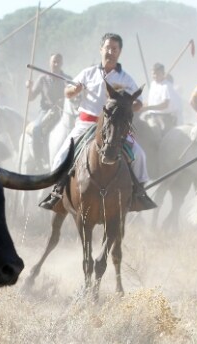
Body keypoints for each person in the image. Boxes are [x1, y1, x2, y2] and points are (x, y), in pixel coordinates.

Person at [40, 33, 155, 211]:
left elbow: (139, 103)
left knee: (140, 156)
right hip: (86, 125)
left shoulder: (126, 78)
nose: (110, 52)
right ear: (101, 49)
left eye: (114, 49)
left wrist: (128, 105)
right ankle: (56, 193)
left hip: (114, 129)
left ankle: (138, 195)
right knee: (60, 157)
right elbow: (67, 92)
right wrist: (75, 89)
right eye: (107, 48)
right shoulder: (88, 73)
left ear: (120, 52)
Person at [27, 53, 69, 169]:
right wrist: (29, 88)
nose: (56, 64)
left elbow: (75, 95)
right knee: (36, 128)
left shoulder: (67, 79)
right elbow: (31, 98)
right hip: (46, 111)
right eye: (53, 62)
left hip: (63, 112)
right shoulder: (42, 79)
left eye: (58, 62)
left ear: (61, 63)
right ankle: (39, 161)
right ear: (49, 63)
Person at [141, 62, 179, 135]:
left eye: (157, 74)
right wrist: (141, 106)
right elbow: (151, 101)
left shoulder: (166, 86)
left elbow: (165, 105)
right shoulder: (153, 84)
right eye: (153, 74)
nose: (155, 76)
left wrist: (148, 108)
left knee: (154, 131)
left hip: (163, 118)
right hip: (151, 115)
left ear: (163, 73)